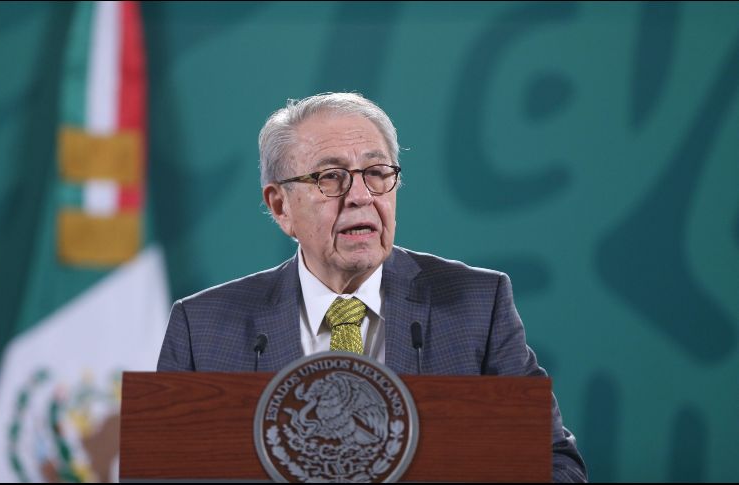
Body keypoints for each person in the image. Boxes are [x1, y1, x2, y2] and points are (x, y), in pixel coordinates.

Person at [157, 92, 588, 482]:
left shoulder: (477, 306)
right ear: (280, 205)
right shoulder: (202, 329)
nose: (361, 196)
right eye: (331, 177)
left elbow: (556, 466)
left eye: (377, 173)